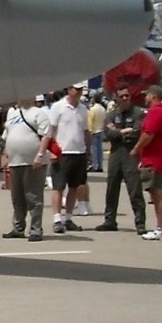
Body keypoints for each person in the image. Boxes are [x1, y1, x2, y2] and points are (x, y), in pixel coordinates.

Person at [95, 87, 146, 234]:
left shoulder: (138, 113)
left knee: (134, 188)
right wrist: (123, 132)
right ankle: (110, 220)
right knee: (112, 187)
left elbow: (136, 132)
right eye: (121, 96)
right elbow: (108, 133)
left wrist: (119, 133)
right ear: (116, 98)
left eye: (127, 95)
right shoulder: (111, 115)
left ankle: (140, 222)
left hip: (131, 153)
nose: (124, 98)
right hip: (115, 153)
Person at [1, 96, 52, 240]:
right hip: (15, 162)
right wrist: (5, 156)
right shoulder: (13, 114)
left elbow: (46, 136)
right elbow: (7, 136)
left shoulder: (39, 113)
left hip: (33, 162)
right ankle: (18, 227)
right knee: (17, 196)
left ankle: (36, 229)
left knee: (33, 196)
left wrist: (40, 155)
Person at [132, 87, 162, 240]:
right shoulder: (159, 111)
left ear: (153, 96)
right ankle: (161, 227)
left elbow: (148, 134)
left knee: (157, 192)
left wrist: (136, 149)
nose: (145, 98)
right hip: (154, 156)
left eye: (147, 95)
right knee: (155, 192)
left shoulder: (156, 111)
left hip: (156, 158)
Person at [48, 85, 90, 233]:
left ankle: (68, 218)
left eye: (81, 90)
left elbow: (85, 131)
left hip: (78, 152)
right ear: (69, 90)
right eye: (76, 89)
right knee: (58, 187)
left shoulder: (83, 109)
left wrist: (88, 151)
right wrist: (52, 151)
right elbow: (51, 130)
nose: (79, 92)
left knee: (74, 187)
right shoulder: (58, 107)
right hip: (62, 153)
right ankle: (57, 219)